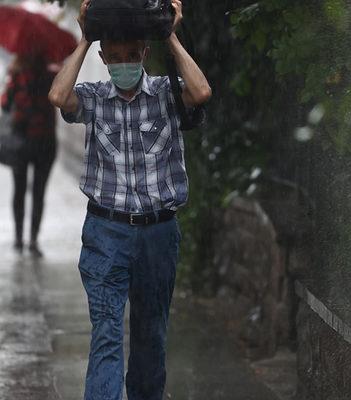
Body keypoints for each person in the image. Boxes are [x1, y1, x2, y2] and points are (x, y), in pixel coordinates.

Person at [48, 0, 211, 398]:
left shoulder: (165, 95)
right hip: (106, 233)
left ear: (144, 54)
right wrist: (86, 38)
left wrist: (169, 32)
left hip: (158, 236)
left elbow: (201, 90)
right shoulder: (94, 98)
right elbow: (58, 95)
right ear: (105, 59)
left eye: (132, 56)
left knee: (150, 338)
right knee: (106, 334)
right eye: (116, 57)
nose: (124, 64)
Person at [1, 54, 57, 257]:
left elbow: (5, 104)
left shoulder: (17, 75)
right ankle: (32, 240)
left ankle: (19, 239)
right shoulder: (52, 75)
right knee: (38, 192)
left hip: (22, 141)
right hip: (45, 141)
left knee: (20, 190)